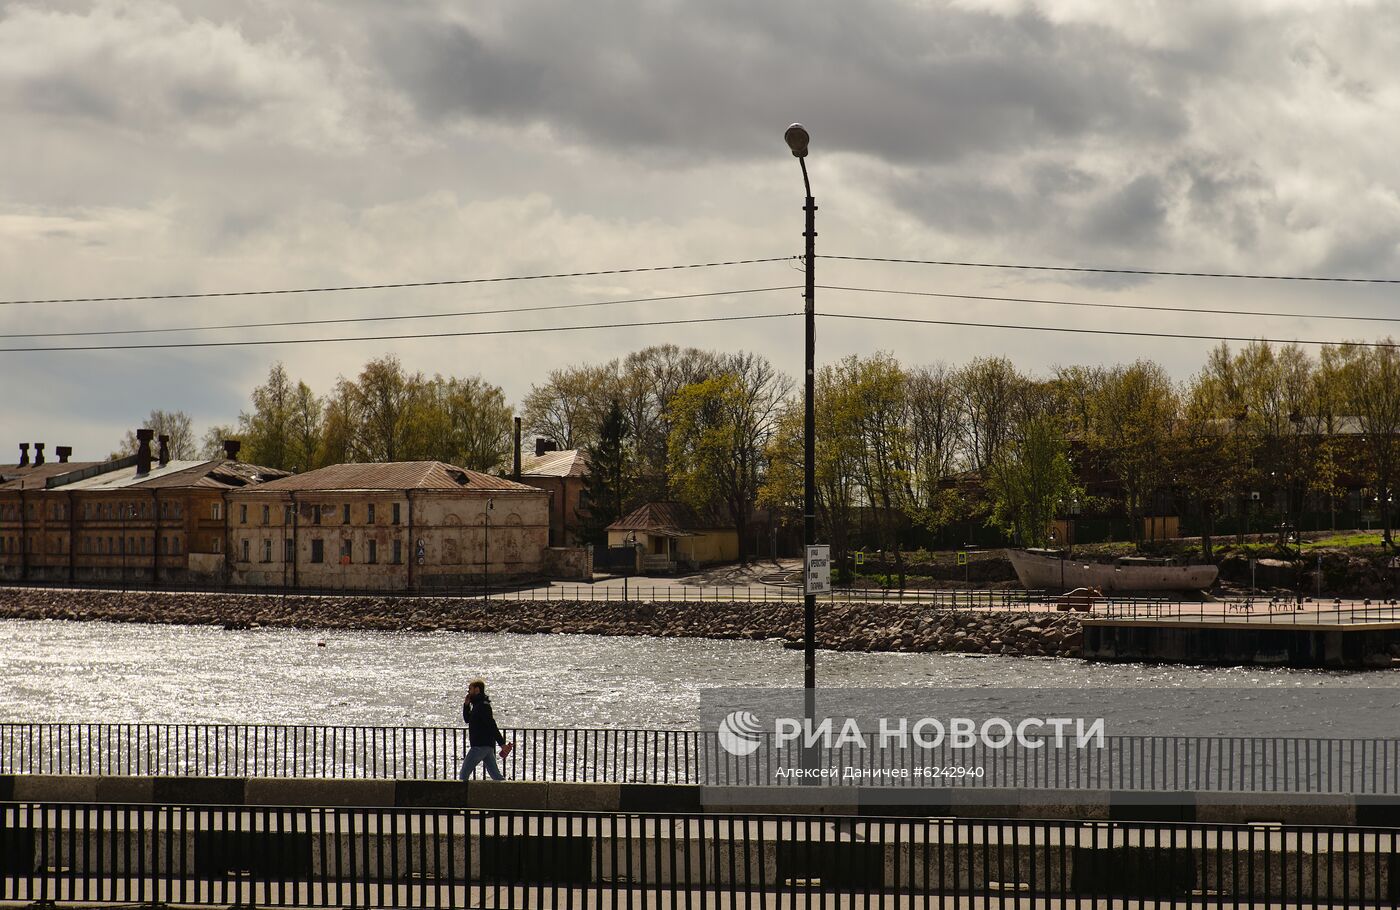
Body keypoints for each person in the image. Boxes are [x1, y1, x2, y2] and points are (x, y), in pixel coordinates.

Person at [459, 678, 508, 781]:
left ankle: (461, 797)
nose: (468, 692)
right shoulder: (478, 705)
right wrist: (466, 706)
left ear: (477, 690)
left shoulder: (483, 706)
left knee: (463, 775)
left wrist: (502, 743)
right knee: (496, 776)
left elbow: (491, 724)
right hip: (487, 746)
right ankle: (510, 794)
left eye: (470, 689)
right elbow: (467, 719)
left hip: (479, 746)